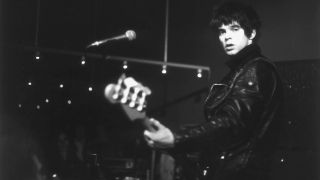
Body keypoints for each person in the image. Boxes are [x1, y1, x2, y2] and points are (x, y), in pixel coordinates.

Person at [143, 2, 284, 180]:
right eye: (222, 31)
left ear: (252, 34)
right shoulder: (238, 73)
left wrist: (176, 138)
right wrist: (171, 144)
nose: (227, 37)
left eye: (234, 29)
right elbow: (223, 137)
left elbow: (231, 123)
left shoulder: (255, 69)